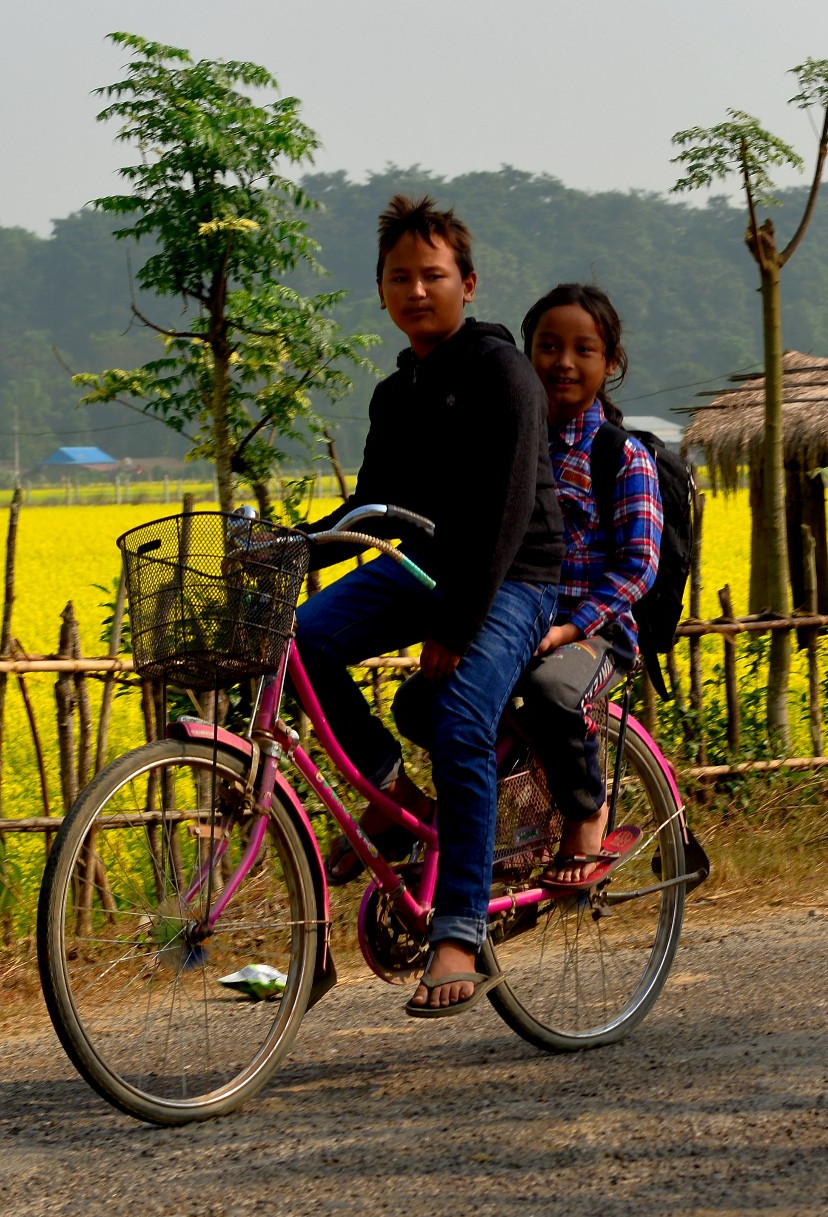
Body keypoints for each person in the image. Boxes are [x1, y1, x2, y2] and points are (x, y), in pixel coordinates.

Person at [296, 195, 563, 1017]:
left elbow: (508, 508)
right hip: (419, 564)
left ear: (468, 284)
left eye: (433, 275)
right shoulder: (396, 393)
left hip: (511, 573)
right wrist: (290, 546)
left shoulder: (501, 372)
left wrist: (455, 621)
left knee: (457, 717)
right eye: (399, 278)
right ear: (380, 292)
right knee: (302, 642)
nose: (417, 290)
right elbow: (369, 510)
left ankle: (460, 927)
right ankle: (396, 809)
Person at [514, 284, 662, 888]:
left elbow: (639, 565)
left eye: (584, 349)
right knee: (427, 702)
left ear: (611, 363)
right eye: (548, 346)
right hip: (520, 621)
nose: (563, 362)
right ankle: (514, 819)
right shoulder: (515, 450)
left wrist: (571, 627)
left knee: (553, 691)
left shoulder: (620, 458)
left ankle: (586, 808)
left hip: (594, 633)